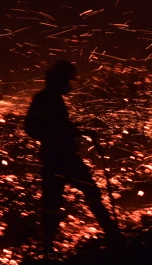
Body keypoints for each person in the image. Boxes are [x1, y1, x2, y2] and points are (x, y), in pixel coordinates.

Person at [25, 61, 121, 248]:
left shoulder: (52, 99)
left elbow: (58, 125)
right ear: (58, 79)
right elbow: (32, 128)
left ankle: (48, 246)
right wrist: (57, 136)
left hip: (60, 156)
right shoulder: (44, 99)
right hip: (59, 158)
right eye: (68, 80)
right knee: (64, 198)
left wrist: (78, 131)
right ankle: (112, 234)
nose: (70, 84)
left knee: (58, 199)